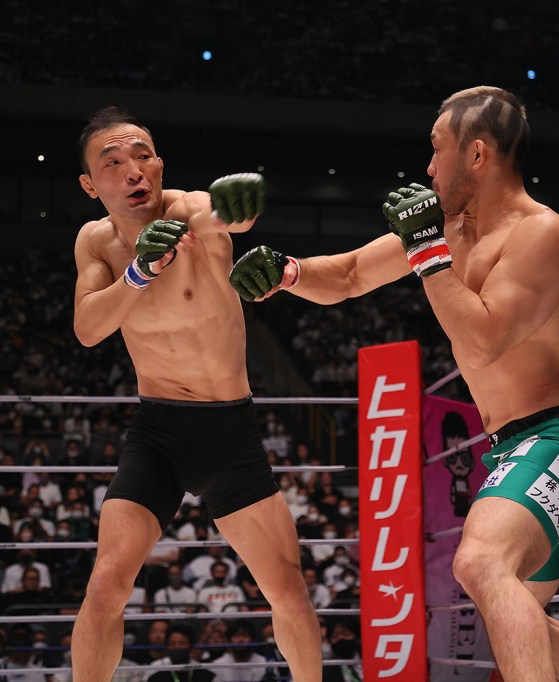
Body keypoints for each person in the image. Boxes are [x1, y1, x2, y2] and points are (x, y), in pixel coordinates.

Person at [230, 86, 559, 681]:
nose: (428, 168)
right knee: (521, 616)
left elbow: (484, 339)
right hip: (508, 451)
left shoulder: (541, 234)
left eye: (438, 151)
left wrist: (429, 255)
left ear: (477, 155)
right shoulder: (452, 228)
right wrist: (286, 271)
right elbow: (351, 274)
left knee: (480, 563)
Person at [70, 106, 320, 681]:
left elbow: (223, 218)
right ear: (90, 184)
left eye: (143, 156)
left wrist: (237, 204)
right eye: (115, 163)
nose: (135, 171)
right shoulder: (96, 243)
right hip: (157, 432)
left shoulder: (184, 210)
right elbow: (87, 328)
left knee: (287, 588)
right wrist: (137, 271)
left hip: (228, 429)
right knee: (107, 583)